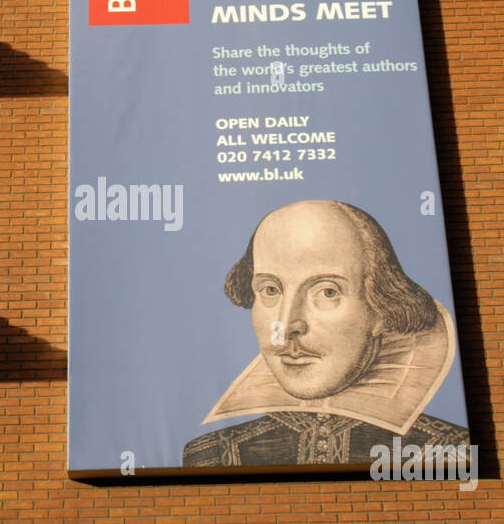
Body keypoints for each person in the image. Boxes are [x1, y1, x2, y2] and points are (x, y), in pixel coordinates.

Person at [183, 199, 469, 468]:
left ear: (381, 310)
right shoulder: (212, 454)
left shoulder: (449, 451)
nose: (288, 324)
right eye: (270, 290)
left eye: (327, 291)